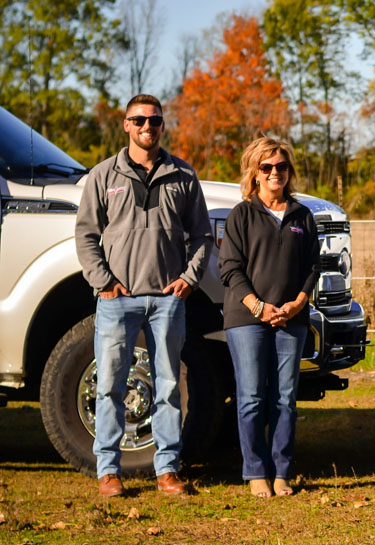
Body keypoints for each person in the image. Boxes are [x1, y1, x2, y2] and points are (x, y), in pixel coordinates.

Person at [75, 94, 213, 497]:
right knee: (110, 386)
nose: (147, 127)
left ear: (162, 126)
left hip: (168, 302)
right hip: (117, 300)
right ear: (126, 125)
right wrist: (103, 282)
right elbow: (85, 236)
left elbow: (202, 236)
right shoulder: (103, 176)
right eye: (139, 121)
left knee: (168, 386)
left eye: (154, 121)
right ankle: (108, 472)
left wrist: (189, 279)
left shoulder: (183, 176)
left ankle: (167, 469)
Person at [217, 137, 320, 499]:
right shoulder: (241, 215)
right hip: (246, 319)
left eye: (281, 166)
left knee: (285, 397)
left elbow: (312, 266)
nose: (275, 172)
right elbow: (229, 268)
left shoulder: (302, 216)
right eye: (266, 167)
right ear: (254, 173)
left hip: (291, 317)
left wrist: (297, 303)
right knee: (250, 397)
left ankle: (282, 472)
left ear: (289, 171)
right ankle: (255, 471)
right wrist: (258, 306)